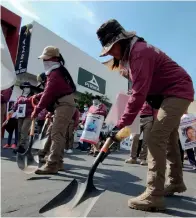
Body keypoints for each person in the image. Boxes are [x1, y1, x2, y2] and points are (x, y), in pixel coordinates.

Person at [96, 19, 194, 211]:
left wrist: (121, 124)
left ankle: (153, 195)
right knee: (170, 138)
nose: (111, 53)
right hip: (170, 94)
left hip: (177, 91)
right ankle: (175, 182)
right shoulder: (134, 52)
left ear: (120, 41)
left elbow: (139, 94)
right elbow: (142, 92)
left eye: (111, 49)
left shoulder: (139, 53)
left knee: (156, 138)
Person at [31, 46, 76, 174]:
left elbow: (49, 93)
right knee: (55, 133)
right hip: (62, 104)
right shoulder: (56, 71)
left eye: (46, 58)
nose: (44, 61)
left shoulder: (55, 73)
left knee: (57, 134)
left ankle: (52, 164)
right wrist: (37, 96)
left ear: (54, 58)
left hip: (64, 105)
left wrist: (37, 109)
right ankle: (59, 162)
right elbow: (50, 90)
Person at [12, 82, 36, 153]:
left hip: (28, 116)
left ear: (30, 88)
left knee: (24, 130)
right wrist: (13, 111)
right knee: (19, 131)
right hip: (20, 116)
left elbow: (36, 105)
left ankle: (22, 146)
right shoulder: (20, 97)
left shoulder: (33, 97)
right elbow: (16, 105)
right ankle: (19, 146)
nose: (26, 89)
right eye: (25, 87)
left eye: (28, 87)